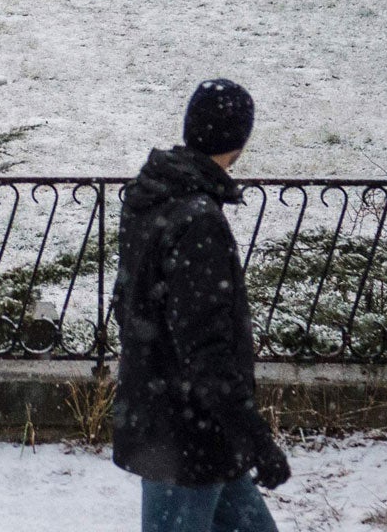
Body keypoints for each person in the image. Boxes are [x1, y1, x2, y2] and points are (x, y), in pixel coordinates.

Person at [113, 79, 290, 532]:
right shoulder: (198, 222)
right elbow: (207, 348)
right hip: (189, 440)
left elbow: (128, 303)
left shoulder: (152, 196)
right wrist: (255, 439)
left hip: (177, 428)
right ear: (239, 142)